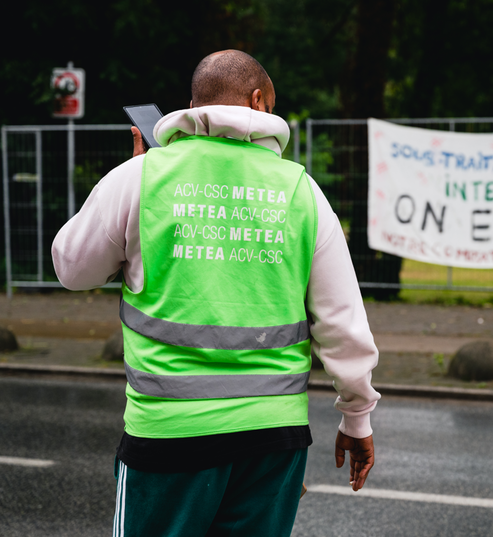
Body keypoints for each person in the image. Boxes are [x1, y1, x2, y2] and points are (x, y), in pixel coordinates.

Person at [51, 50, 380, 536]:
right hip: (273, 438)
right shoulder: (301, 191)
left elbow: (72, 269)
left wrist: (130, 186)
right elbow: (342, 322)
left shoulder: (143, 177)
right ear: (257, 102)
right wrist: (357, 419)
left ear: (192, 105)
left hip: (169, 436)